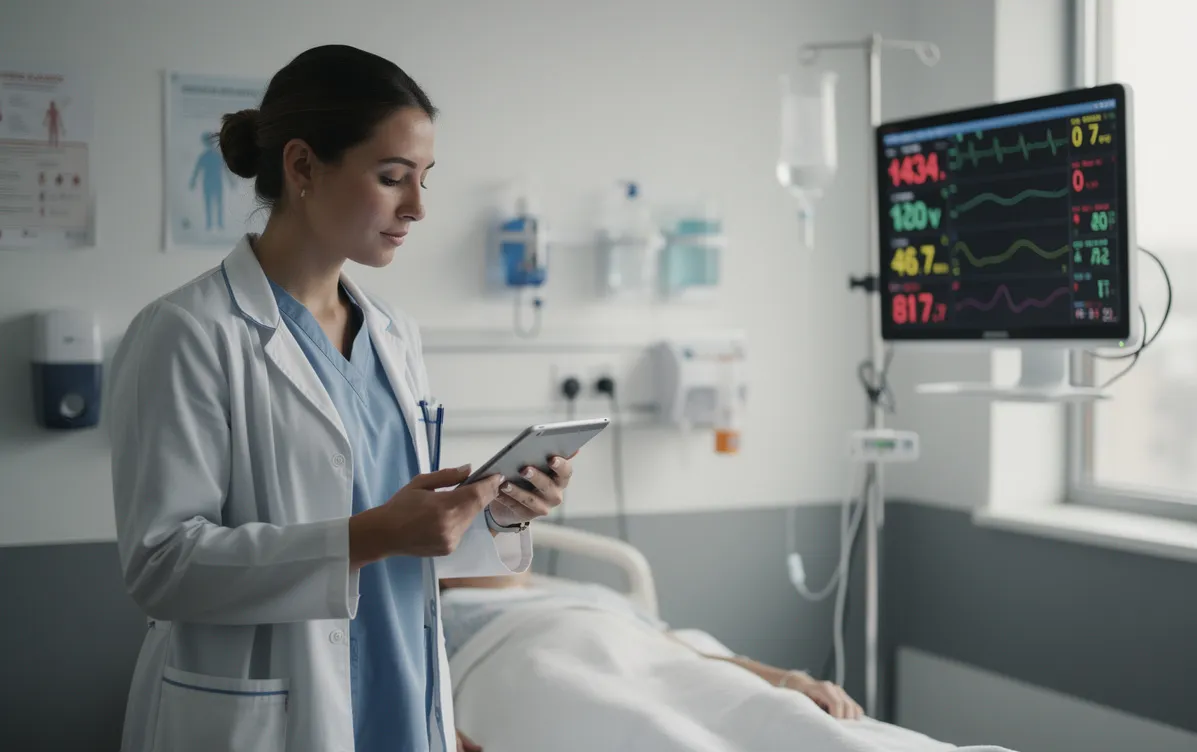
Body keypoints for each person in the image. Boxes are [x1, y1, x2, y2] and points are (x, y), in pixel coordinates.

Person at [106, 44, 572, 752]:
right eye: (392, 178)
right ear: (301, 166)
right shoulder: (187, 333)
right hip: (266, 714)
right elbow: (162, 567)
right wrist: (373, 534)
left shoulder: (393, 334)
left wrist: (494, 512)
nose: (417, 207)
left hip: (401, 683)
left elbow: (407, 536)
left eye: (424, 179)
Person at [439, 573, 866, 721]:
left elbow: (686, 652)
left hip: (670, 675)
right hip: (563, 680)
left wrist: (793, 680)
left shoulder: (592, 595)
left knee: (780, 718)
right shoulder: (447, 612)